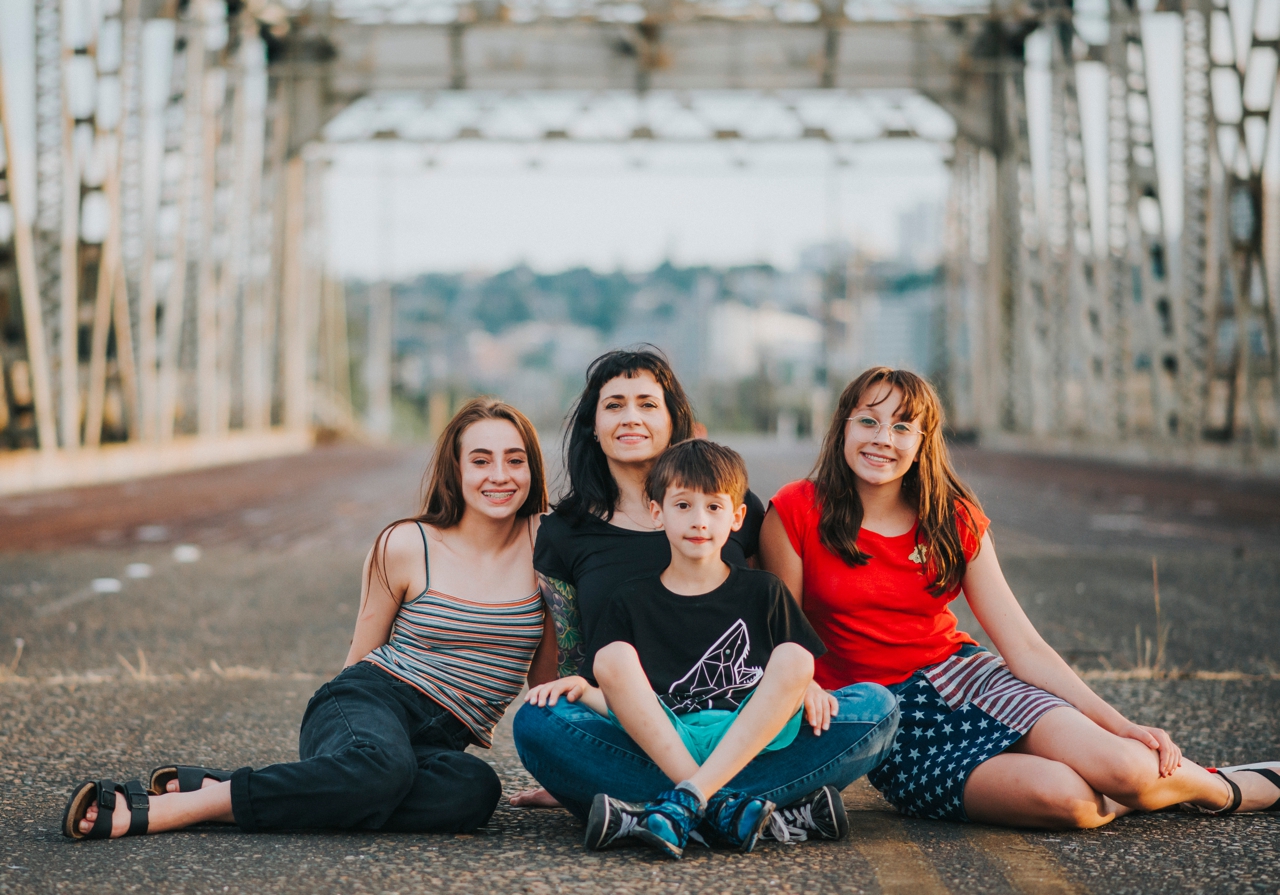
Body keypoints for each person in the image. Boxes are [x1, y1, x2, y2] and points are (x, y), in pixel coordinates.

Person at [759, 366, 1280, 828]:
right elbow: (784, 635)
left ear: (922, 441)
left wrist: (1121, 725)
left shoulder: (952, 516)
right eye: (868, 421)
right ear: (843, 427)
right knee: (1070, 802)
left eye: (901, 427)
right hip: (892, 723)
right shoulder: (797, 510)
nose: (882, 439)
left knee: (1125, 768)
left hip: (967, 680)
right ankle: (1155, 790)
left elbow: (1024, 647)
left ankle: (1225, 789)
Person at [63, 398, 557, 840]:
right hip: (369, 701)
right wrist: (351, 739)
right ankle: (174, 809)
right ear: (456, 469)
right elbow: (361, 657)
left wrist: (566, 779)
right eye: (481, 460)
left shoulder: (549, 549)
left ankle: (241, 789)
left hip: (441, 741)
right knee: (382, 769)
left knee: (473, 791)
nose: (500, 475)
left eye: (515, 460)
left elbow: (547, 683)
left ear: (532, 469)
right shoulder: (408, 543)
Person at [526, 440, 832, 858]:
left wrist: (806, 684)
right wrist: (585, 692)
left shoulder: (765, 591)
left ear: (737, 517)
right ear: (658, 513)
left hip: (749, 734)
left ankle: (669, 808)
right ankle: (735, 809)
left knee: (872, 704)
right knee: (538, 717)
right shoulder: (630, 599)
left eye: (714, 507)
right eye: (683, 505)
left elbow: (790, 676)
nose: (698, 521)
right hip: (666, 735)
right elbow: (629, 701)